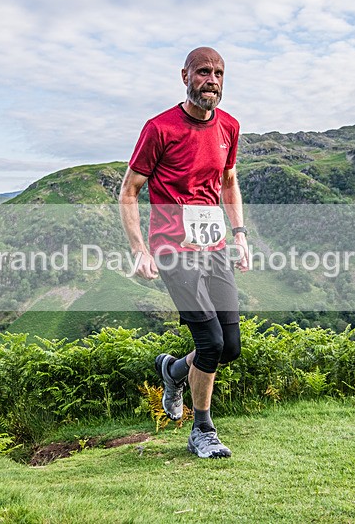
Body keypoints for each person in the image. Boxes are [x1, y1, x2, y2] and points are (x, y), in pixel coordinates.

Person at [119, 47, 249, 458]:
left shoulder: (229, 126)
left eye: (219, 73)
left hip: (215, 246)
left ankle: (173, 371)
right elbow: (128, 191)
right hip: (173, 248)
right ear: (185, 76)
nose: (212, 80)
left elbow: (229, 182)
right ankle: (203, 430)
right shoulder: (159, 128)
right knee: (209, 342)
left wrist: (240, 234)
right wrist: (140, 249)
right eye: (203, 72)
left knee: (230, 346)